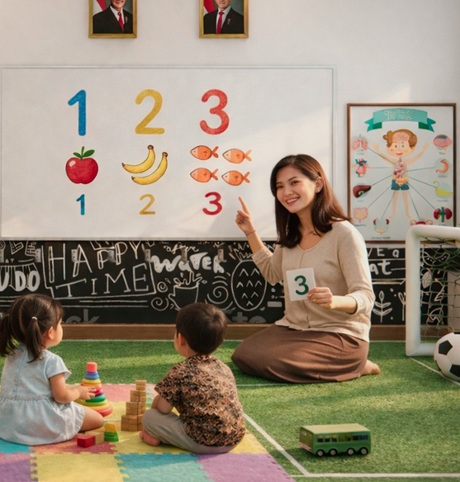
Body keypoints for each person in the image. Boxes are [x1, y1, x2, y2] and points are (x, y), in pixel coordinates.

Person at [233, 154, 381, 383]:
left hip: (340, 333)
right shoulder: (290, 234)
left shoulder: (344, 234)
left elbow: (366, 296)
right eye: (280, 186)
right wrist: (250, 232)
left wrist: (335, 302)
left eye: (294, 182)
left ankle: (357, 364)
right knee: (244, 354)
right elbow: (272, 274)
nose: (286, 192)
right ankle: (338, 364)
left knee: (272, 361)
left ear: (318, 184)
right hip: (294, 329)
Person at [0, 293, 104, 445]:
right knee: (98, 419)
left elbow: (34, 387)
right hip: (41, 422)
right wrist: (78, 392)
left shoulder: (12, 355)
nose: (61, 327)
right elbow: (61, 397)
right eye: (60, 323)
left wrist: (72, 387)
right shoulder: (52, 360)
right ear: (50, 332)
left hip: (6, 422)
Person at [140, 302, 245, 453]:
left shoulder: (180, 371)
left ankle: (157, 437)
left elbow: (163, 408)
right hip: (234, 438)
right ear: (219, 343)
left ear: (180, 338)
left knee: (150, 417)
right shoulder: (224, 368)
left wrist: (158, 401)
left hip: (202, 442)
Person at [369, 129, 429, 221]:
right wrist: (377, 150)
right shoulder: (394, 161)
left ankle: (407, 212)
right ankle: (393, 212)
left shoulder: (405, 161)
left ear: (412, 147)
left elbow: (415, 158)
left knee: (405, 196)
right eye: (395, 145)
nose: (399, 149)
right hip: (395, 180)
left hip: (404, 180)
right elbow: (385, 157)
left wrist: (423, 150)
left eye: (403, 145)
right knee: (395, 196)